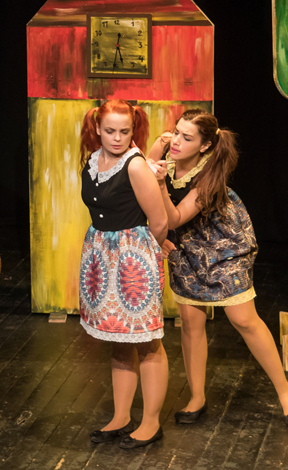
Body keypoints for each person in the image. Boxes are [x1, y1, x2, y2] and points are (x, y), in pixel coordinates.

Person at [146, 108, 288, 428]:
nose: (176, 141)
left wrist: (160, 184)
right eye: (176, 132)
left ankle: (285, 392)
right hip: (186, 247)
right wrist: (155, 235)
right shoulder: (165, 154)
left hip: (223, 247)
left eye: (186, 137)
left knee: (243, 319)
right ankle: (197, 397)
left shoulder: (208, 177)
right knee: (191, 322)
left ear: (205, 145)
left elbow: (174, 217)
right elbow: (141, 193)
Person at [78, 99, 173, 449]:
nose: (117, 138)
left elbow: (159, 222)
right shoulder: (92, 162)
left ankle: (151, 422)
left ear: (133, 130)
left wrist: (143, 255)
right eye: (110, 131)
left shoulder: (135, 166)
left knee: (147, 341)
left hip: (133, 259)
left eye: (124, 131)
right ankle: (121, 416)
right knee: (119, 340)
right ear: (97, 129)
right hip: (102, 256)